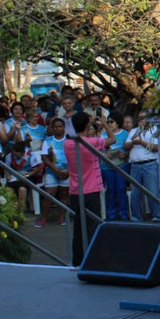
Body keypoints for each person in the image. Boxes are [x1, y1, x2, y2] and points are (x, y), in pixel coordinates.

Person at [65, 112, 108, 265]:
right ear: (87, 125)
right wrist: (104, 123)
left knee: (78, 228)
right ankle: (92, 259)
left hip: (75, 190)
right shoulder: (91, 142)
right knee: (93, 226)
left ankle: (78, 260)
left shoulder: (67, 143)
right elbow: (113, 139)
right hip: (91, 189)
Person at [125, 112, 160, 222]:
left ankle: (156, 216)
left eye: (143, 117)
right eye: (139, 117)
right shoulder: (133, 130)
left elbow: (157, 147)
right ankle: (136, 217)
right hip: (135, 165)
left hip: (150, 164)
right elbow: (126, 146)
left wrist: (141, 142)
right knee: (135, 192)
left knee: (152, 191)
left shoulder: (155, 130)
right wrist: (133, 141)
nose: (141, 119)